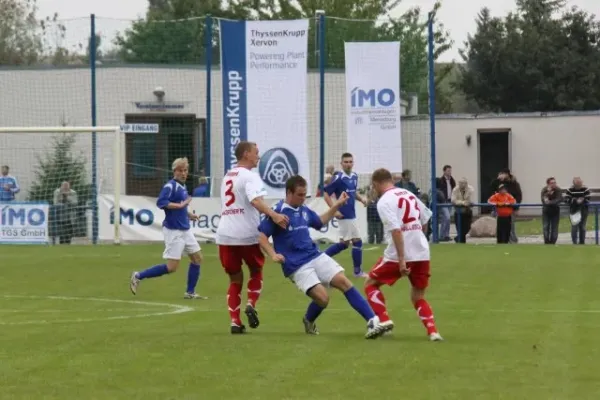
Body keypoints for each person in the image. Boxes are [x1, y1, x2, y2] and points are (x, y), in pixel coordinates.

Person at [258, 175, 384, 339]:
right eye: (300, 195)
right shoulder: (277, 212)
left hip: (314, 255)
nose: (304, 198)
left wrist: (336, 205)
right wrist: (273, 254)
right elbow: (261, 237)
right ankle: (308, 320)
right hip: (296, 265)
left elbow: (319, 222)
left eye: (305, 195)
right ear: (289, 192)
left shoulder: (303, 209)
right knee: (323, 299)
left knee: (344, 281)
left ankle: (373, 320)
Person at [216, 141, 289, 334]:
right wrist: (274, 215)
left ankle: (234, 321)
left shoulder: (227, 175)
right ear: (246, 154)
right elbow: (255, 200)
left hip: (225, 235)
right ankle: (250, 303)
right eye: (256, 153)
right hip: (247, 234)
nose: (259, 156)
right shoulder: (250, 176)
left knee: (234, 279)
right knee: (256, 271)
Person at [363, 168, 443, 341]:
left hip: (400, 253)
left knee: (370, 283)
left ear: (376, 184)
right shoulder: (408, 193)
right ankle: (433, 332)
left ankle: (383, 320)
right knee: (418, 296)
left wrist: (401, 260)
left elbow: (396, 231)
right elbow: (425, 219)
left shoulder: (384, 201)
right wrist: (417, 238)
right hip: (421, 251)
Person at [129, 157, 207, 300]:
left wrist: (189, 214)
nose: (184, 173)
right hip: (174, 231)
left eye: (185, 170)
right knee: (172, 267)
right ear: (174, 171)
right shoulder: (170, 186)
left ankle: (190, 292)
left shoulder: (182, 187)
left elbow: (179, 206)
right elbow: (161, 202)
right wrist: (181, 206)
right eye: (181, 171)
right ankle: (138, 275)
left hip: (185, 229)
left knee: (197, 258)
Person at [323, 153, 369, 277]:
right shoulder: (338, 178)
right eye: (346, 162)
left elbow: (353, 192)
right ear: (341, 163)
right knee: (357, 241)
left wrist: (362, 199)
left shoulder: (354, 176)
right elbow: (326, 194)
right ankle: (357, 272)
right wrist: (334, 210)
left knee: (344, 243)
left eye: (350, 162)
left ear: (353, 163)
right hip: (344, 214)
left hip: (351, 214)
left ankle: (320, 259)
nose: (348, 164)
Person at [490, 169, 522, 243]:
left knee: (511, 227)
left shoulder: (514, 183)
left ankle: (512, 241)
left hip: (510, 209)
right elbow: (492, 189)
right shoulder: (499, 182)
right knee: (500, 227)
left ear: (507, 174)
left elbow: (518, 196)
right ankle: (502, 241)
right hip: (500, 209)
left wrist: (516, 207)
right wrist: (497, 179)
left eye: (503, 173)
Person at [565, 177, 591, 245]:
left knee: (582, 227)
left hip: (583, 210)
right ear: (574, 184)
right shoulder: (570, 190)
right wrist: (575, 200)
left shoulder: (586, 189)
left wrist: (582, 200)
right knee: (574, 227)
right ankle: (574, 243)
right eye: (578, 184)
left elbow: (588, 199)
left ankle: (582, 242)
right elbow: (566, 200)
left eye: (580, 183)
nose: (580, 185)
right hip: (574, 210)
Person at [435, 165, 455, 242]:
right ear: (444, 171)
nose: (450, 172)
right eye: (448, 171)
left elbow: (454, 189)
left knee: (447, 219)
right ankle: (442, 235)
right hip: (443, 202)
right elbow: (439, 191)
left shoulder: (452, 180)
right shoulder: (440, 180)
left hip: (449, 201)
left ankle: (446, 235)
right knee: (446, 217)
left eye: (450, 170)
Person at [451, 178, 474, 243]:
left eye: (464, 183)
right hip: (458, 211)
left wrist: (464, 202)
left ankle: (458, 238)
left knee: (467, 227)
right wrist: (463, 203)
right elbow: (453, 200)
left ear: (466, 184)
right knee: (459, 229)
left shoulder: (470, 189)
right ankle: (461, 243)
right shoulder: (455, 189)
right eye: (461, 183)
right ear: (459, 184)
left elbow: (470, 201)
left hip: (467, 211)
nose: (462, 185)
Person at [541, 177, 562, 244]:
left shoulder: (558, 190)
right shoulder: (544, 190)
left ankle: (553, 242)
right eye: (552, 183)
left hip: (555, 210)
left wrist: (550, 202)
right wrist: (548, 193)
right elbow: (543, 200)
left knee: (554, 228)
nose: (554, 184)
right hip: (546, 211)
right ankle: (546, 242)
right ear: (548, 184)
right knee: (545, 227)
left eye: (554, 182)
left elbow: (559, 199)